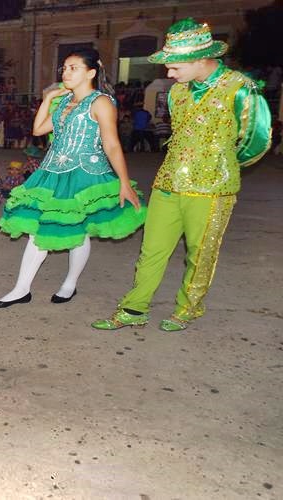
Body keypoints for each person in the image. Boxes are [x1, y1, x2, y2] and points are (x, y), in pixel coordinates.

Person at [92, 19, 272, 331]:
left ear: (200, 59)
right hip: (168, 182)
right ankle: (134, 309)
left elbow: (257, 139)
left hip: (212, 189)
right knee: (152, 249)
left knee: (200, 253)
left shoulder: (240, 89)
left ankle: (188, 308)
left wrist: (223, 165)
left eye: (174, 67)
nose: (169, 74)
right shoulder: (177, 93)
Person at [0, 48, 145, 309]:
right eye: (64, 67)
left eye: (74, 67)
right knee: (40, 230)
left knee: (79, 230)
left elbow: (112, 144)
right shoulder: (63, 102)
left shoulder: (101, 102)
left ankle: (70, 283)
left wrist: (123, 181)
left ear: (91, 72)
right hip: (51, 172)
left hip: (85, 175)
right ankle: (21, 289)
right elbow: (39, 129)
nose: (66, 72)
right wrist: (49, 97)